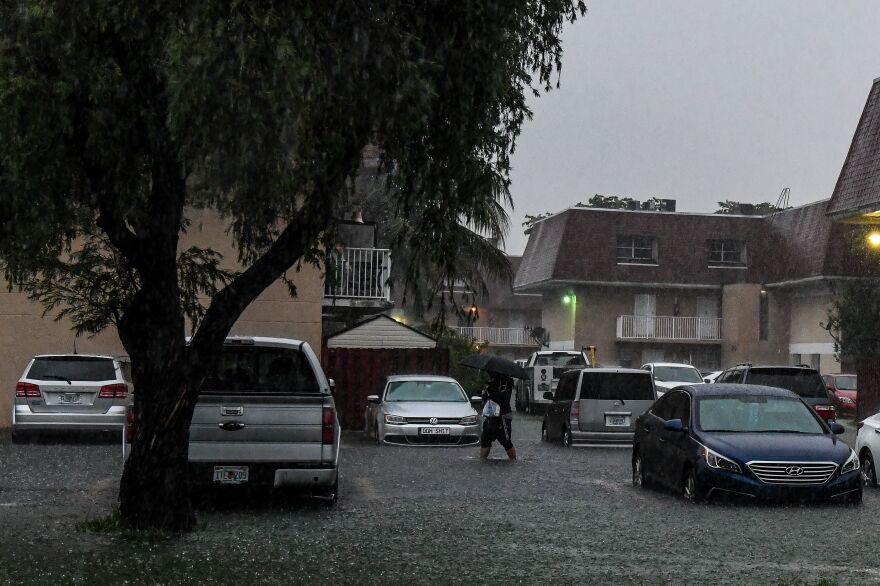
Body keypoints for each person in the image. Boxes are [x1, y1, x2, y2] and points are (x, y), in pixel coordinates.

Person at [479, 372, 516, 460]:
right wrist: (485, 391)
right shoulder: (493, 383)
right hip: (491, 415)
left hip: (503, 415)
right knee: (485, 438)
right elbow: (486, 399)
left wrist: (490, 390)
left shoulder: (506, 382)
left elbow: (501, 397)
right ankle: (482, 460)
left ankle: (513, 460)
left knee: (505, 440)